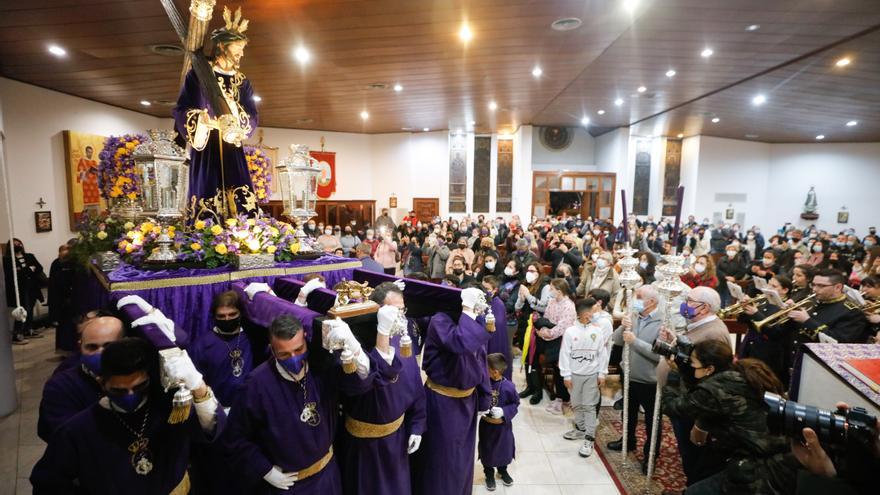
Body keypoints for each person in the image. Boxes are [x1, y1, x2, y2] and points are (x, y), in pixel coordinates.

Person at [31, 337, 223, 494]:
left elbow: (210, 429)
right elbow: (48, 483)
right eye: (119, 391)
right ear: (102, 383)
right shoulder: (78, 429)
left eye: (139, 387)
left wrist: (198, 387)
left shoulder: (169, 410)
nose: (130, 395)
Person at [223, 315, 369, 493]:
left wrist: (354, 348)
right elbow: (235, 438)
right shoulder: (255, 386)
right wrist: (265, 470)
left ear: (305, 338)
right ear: (272, 349)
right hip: (290, 487)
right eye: (284, 354)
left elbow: (359, 385)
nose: (293, 358)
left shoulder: (322, 368)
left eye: (299, 349)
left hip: (328, 477)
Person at [661, 340, 795, 495]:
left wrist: (674, 373)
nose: (690, 365)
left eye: (693, 363)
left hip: (760, 465)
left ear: (709, 369)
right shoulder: (740, 371)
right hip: (777, 449)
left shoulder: (715, 389)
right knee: (701, 474)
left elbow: (672, 406)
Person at [172, 7, 259, 216]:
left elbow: (252, 115)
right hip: (207, 148)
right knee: (207, 200)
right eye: (237, 47)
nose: (241, 53)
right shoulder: (199, 74)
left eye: (242, 48)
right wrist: (201, 119)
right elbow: (182, 108)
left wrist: (234, 114)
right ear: (222, 45)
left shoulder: (242, 82)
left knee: (240, 201)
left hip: (232, 148)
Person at [338, 302, 426, 495]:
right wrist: (380, 338)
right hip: (364, 447)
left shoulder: (404, 343)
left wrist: (417, 426)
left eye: (402, 309)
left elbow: (415, 386)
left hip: (397, 439)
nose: (398, 315)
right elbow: (367, 380)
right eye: (393, 309)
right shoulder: (357, 347)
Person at [415, 287, 493, 495]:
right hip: (442, 401)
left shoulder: (473, 321)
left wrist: (485, 397)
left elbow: (480, 360)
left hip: (468, 400)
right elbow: (461, 342)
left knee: (463, 458)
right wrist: (468, 310)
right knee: (443, 459)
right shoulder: (440, 321)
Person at [656, 286, 732, 487]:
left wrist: (701, 423)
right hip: (685, 399)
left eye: (689, 300)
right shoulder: (699, 325)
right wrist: (675, 340)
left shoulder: (714, 333)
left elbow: (713, 379)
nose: (685, 304)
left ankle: (693, 485)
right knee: (687, 451)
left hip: (695, 405)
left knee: (694, 455)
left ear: (704, 307)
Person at [37, 313, 125, 441]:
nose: (100, 354)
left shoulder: (137, 378)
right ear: (80, 347)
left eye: (109, 346)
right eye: (92, 347)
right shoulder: (60, 386)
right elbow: (62, 437)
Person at [607, 285, 663, 472]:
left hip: (650, 380)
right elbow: (617, 339)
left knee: (652, 420)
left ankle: (651, 455)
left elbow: (659, 355)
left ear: (652, 302)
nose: (635, 300)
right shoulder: (635, 316)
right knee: (628, 412)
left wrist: (635, 341)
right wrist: (624, 324)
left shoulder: (662, 322)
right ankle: (628, 440)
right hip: (629, 375)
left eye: (639, 296)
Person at [189, 291, 267, 409]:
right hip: (218, 410)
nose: (227, 319)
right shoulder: (201, 345)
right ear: (214, 316)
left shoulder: (253, 339)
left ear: (240, 313)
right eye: (221, 316)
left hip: (250, 407)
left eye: (232, 314)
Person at [559, 298, 612, 459]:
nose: (596, 313)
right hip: (574, 375)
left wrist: (602, 373)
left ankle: (589, 437)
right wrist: (566, 374)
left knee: (589, 406)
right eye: (593, 311)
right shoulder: (570, 332)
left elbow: (602, 354)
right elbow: (565, 354)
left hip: (591, 375)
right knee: (576, 404)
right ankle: (581, 429)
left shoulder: (596, 331)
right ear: (586, 314)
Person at [527, 279, 577, 413]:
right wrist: (543, 330)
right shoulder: (552, 302)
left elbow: (563, 327)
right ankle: (550, 394)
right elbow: (546, 318)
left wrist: (548, 333)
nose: (550, 291)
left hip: (561, 340)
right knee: (539, 360)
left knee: (560, 369)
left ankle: (563, 398)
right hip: (548, 337)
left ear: (559, 291)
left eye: (552, 289)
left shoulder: (569, 306)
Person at [788, 269, 868, 343]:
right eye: (813, 285)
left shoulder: (852, 312)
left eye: (821, 286)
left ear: (838, 287)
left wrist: (807, 321)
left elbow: (838, 340)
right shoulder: (813, 300)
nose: (814, 289)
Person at [478, 353, 518, 492]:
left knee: (504, 450)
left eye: (486, 369)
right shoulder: (483, 384)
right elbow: (476, 399)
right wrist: (478, 408)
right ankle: (489, 474)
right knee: (487, 450)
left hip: (503, 426)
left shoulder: (509, 387)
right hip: (486, 425)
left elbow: (515, 404)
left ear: (495, 372)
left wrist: (504, 411)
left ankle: (502, 470)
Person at [4, 238, 46, 344]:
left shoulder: (29, 256)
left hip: (31, 287)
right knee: (22, 309)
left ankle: (29, 329)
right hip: (19, 289)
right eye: (15, 244)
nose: (18, 245)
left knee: (30, 308)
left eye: (19, 243)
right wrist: (28, 269)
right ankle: (17, 333)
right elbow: (12, 274)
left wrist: (23, 270)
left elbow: (39, 268)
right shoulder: (7, 259)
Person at [480, 276, 512, 380]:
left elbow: (497, 324)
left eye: (487, 289)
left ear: (495, 290)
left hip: (494, 342)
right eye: (483, 288)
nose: (484, 292)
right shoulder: (482, 301)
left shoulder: (498, 304)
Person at [48, 243, 77, 351]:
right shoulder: (57, 267)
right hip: (63, 303)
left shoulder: (74, 267)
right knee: (65, 326)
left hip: (69, 301)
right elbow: (54, 289)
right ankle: (65, 348)